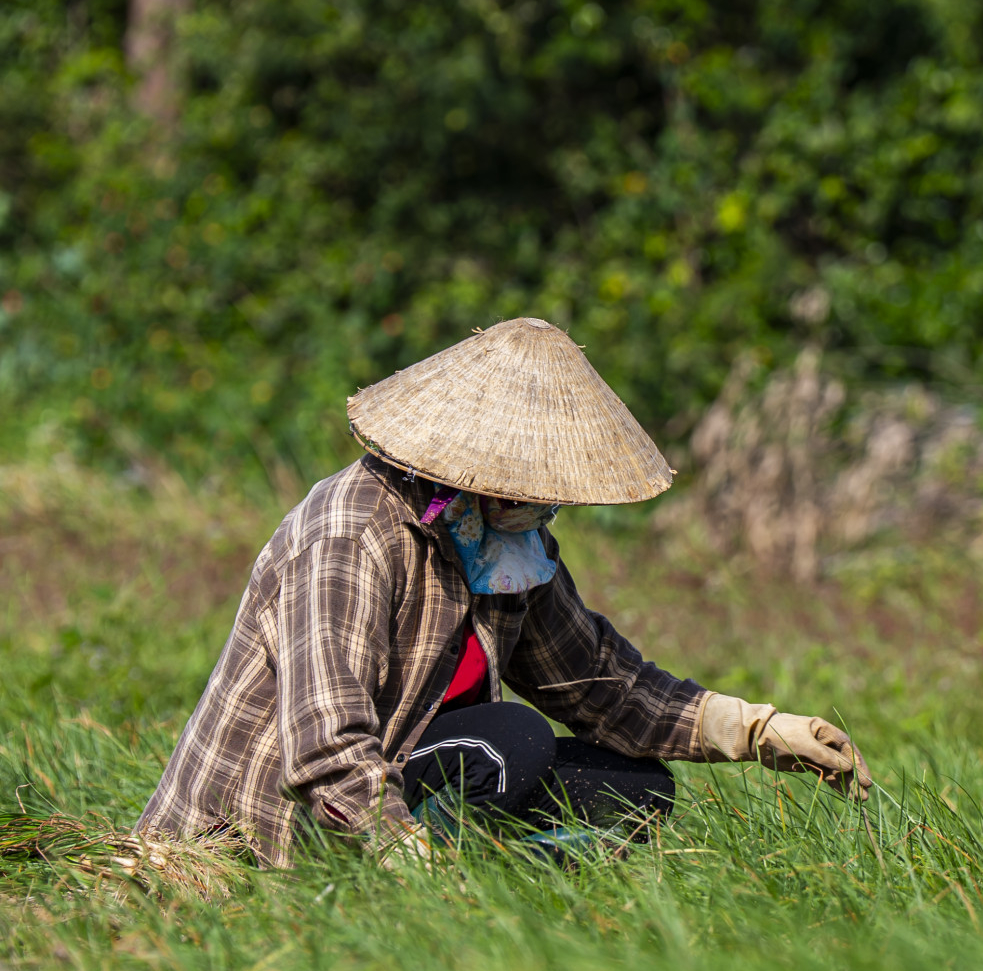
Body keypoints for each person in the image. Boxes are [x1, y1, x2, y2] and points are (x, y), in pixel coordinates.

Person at [139, 317, 870, 868]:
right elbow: (326, 749)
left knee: (632, 787)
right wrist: (406, 859)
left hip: (407, 781)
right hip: (262, 840)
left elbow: (602, 685)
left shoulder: (507, 547)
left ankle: (497, 888)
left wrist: (753, 728)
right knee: (511, 739)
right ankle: (436, 883)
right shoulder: (352, 534)